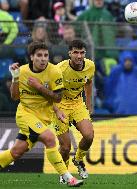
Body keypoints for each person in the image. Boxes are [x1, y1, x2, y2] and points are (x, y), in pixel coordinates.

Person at [0, 41, 83, 187]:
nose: (43, 58)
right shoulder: (23, 71)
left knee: (17, 152)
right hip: (25, 114)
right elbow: (14, 97)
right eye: (39, 55)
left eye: (46, 55)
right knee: (50, 138)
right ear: (32, 57)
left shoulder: (54, 72)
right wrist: (15, 77)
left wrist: (40, 88)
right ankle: (68, 177)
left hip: (42, 118)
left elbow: (58, 97)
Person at [52, 39, 95, 183]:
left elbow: (88, 82)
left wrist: (88, 104)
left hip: (77, 104)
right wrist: (56, 110)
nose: (79, 56)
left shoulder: (90, 66)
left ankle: (78, 160)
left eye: (82, 52)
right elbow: (49, 92)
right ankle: (64, 173)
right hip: (60, 105)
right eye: (75, 52)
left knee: (89, 136)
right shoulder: (60, 69)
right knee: (65, 147)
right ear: (69, 53)